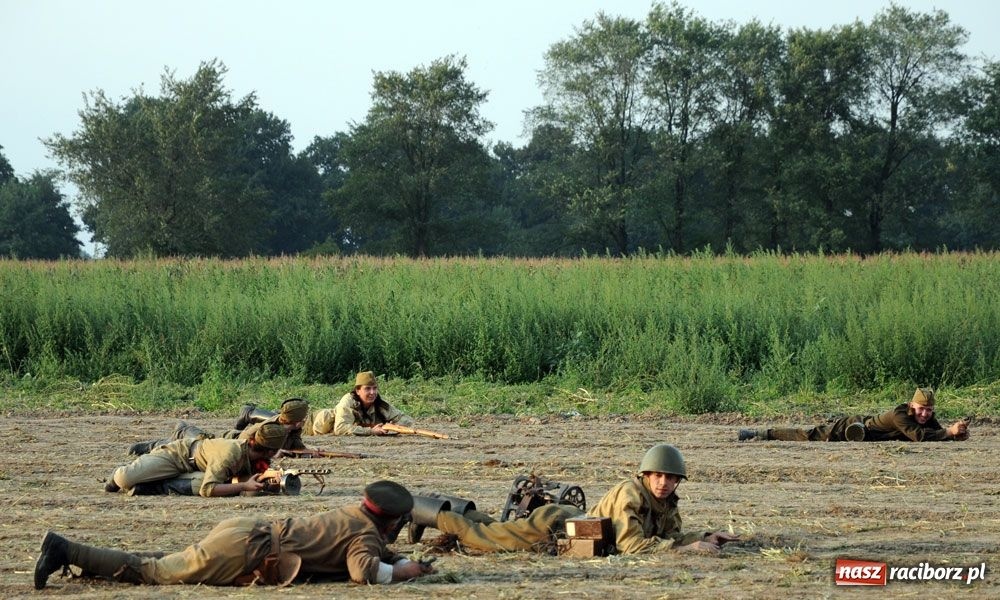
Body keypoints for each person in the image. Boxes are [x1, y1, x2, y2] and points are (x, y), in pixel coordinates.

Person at [34, 480, 435, 589]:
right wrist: (405, 573)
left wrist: (402, 559)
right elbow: (363, 571)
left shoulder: (353, 514)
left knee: (165, 558)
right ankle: (64, 549)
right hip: (247, 550)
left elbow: (372, 548)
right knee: (154, 572)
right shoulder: (365, 536)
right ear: (391, 521)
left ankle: (78, 552)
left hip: (247, 531)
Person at [411, 444, 739, 555]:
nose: (665, 483)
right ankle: (420, 510)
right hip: (551, 529)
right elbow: (632, 546)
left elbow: (667, 537)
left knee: (497, 528)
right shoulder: (631, 494)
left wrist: (703, 537)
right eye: (659, 476)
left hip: (569, 520)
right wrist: (684, 550)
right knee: (480, 538)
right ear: (645, 476)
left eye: (671, 478)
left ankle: (447, 504)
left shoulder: (666, 503)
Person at [105, 422, 288, 497]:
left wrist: (268, 483)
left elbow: (241, 482)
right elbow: (208, 491)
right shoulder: (231, 453)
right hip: (179, 456)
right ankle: (119, 473)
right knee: (125, 479)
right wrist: (243, 486)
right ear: (270, 451)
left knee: (207, 484)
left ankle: (153, 485)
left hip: (199, 469)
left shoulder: (255, 456)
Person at [737, 387, 970, 442]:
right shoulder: (902, 415)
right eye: (921, 409)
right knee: (809, 435)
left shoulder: (926, 417)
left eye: (929, 410)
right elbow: (920, 436)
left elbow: (934, 431)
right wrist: (948, 432)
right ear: (912, 406)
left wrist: (955, 433)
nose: (925, 414)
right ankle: (758, 433)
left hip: (865, 430)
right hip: (854, 428)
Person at [129, 398, 312, 457]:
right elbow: (246, 445)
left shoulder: (293, 428)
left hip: (233, 441)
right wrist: (277, 451)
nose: (304, 421)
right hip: (228, 441)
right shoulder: (265, 427)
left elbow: (296, 445)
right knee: (198, 442)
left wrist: (309, 451)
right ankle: (176, 433)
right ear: (294, 420)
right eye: (302, 418)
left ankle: (181, 432)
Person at [304, 371, 416, 436]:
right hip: (311, 424)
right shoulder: (348, 401)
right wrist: (371, 431)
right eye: (367, 389)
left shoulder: (379, 404)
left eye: (374, 388)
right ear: (358, 390)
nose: (372, 393)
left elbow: (406, 419)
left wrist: (393, 427)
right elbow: (341, 428)